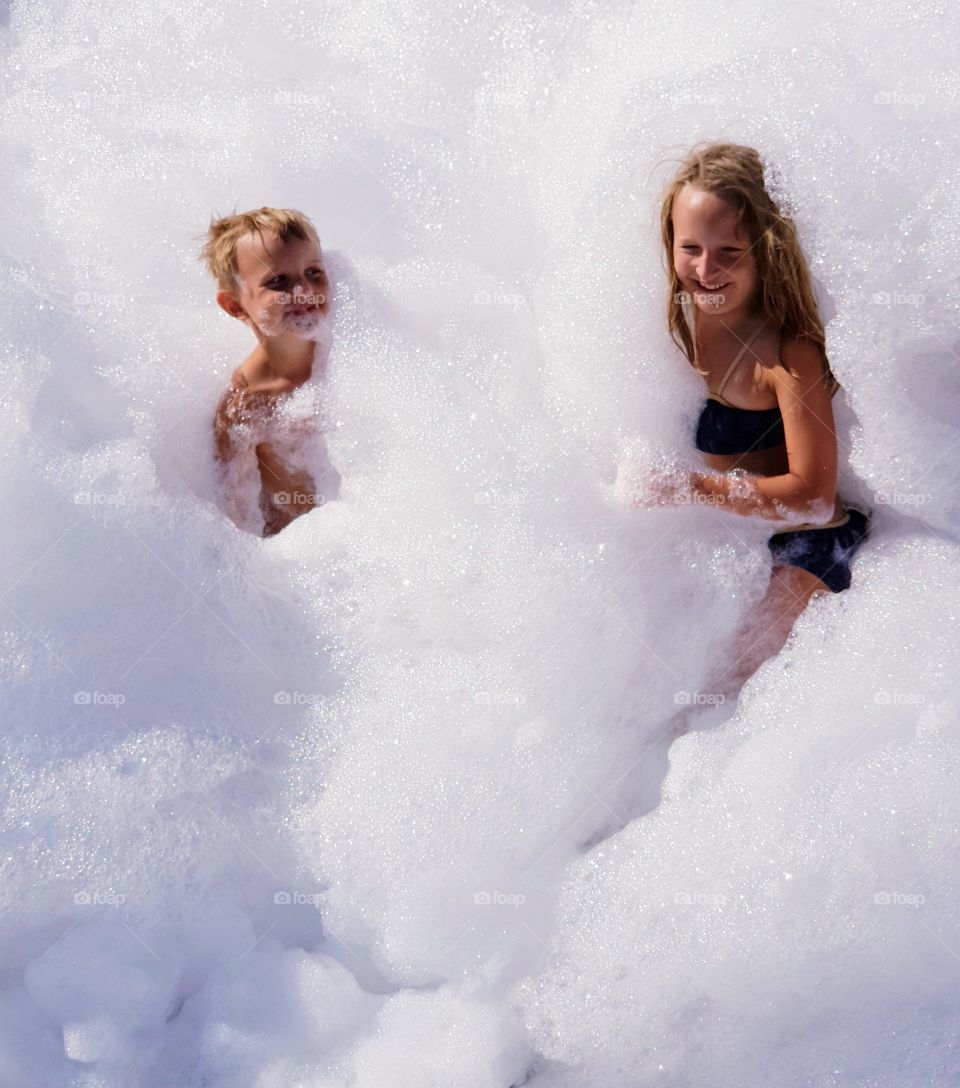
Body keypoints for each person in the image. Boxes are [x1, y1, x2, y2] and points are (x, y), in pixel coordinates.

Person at [625, 142, 870, 709]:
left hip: (811, 546)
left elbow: (813, 499)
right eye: (690, 248)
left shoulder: (786, 354)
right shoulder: (670, 325)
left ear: (766, 249)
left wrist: (687, 488)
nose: (706, 270)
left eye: (729, 252)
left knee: (723, 693)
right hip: (730, 539)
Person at [200, 206, 336, 537]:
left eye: (313, 272)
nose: (303, 290)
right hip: (301, 546)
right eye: (278, 281)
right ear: (235, 306)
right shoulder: (245, 404)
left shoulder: (350, 357)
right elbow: (233, 511)